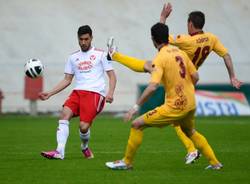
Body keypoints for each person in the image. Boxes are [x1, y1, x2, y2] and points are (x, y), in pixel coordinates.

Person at [106, 3, 242, 164]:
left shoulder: (185, 41)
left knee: (144, 118)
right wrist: (232, 76)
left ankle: (188, 151)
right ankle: (211, 161)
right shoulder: (212, 39)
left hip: (175, 79)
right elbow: (225, 56)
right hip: (187, 82)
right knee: (187, 128)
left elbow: (162, 38)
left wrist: (163, 17)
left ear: (190, 24)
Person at [39, 25, 117, 160]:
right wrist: (50, 93)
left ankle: (84, 146)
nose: (83, 42)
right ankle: (59, 151)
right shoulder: (73, 57)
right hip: (77, 92)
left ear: (91, 38)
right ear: (78, 39)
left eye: (86, 39)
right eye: (81, 39)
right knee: (64, 114)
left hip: (95, 94)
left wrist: (110, 93)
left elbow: (112, 76)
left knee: (83, 127)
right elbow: (67, 79)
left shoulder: (101, 54)